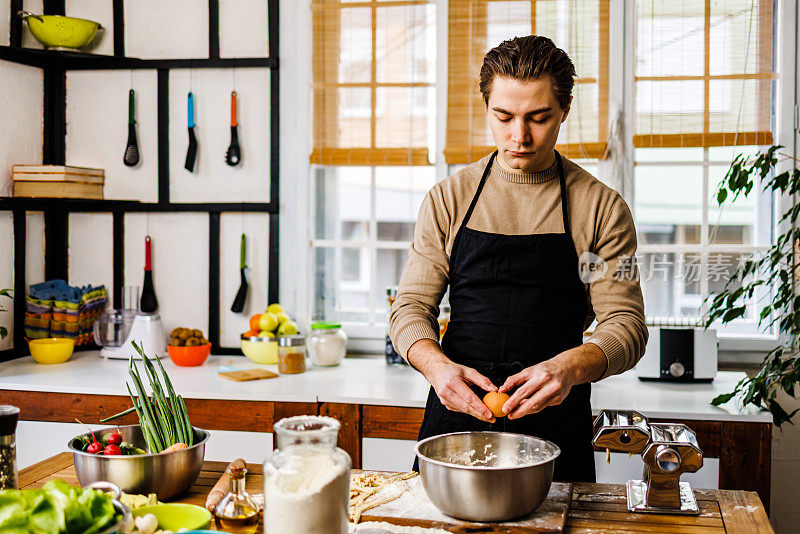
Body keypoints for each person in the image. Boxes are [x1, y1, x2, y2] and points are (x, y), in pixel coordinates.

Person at [389, 35, 648, 482]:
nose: (519, 136)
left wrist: (569, 368)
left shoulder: (601, 208)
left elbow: (626, 325)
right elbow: (409, 308)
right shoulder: (449, 199)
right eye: (503, 116)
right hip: (456, 418)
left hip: (557, 429)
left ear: (564, 110)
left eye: (539, 118)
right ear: (486, 107)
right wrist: (436, 367)